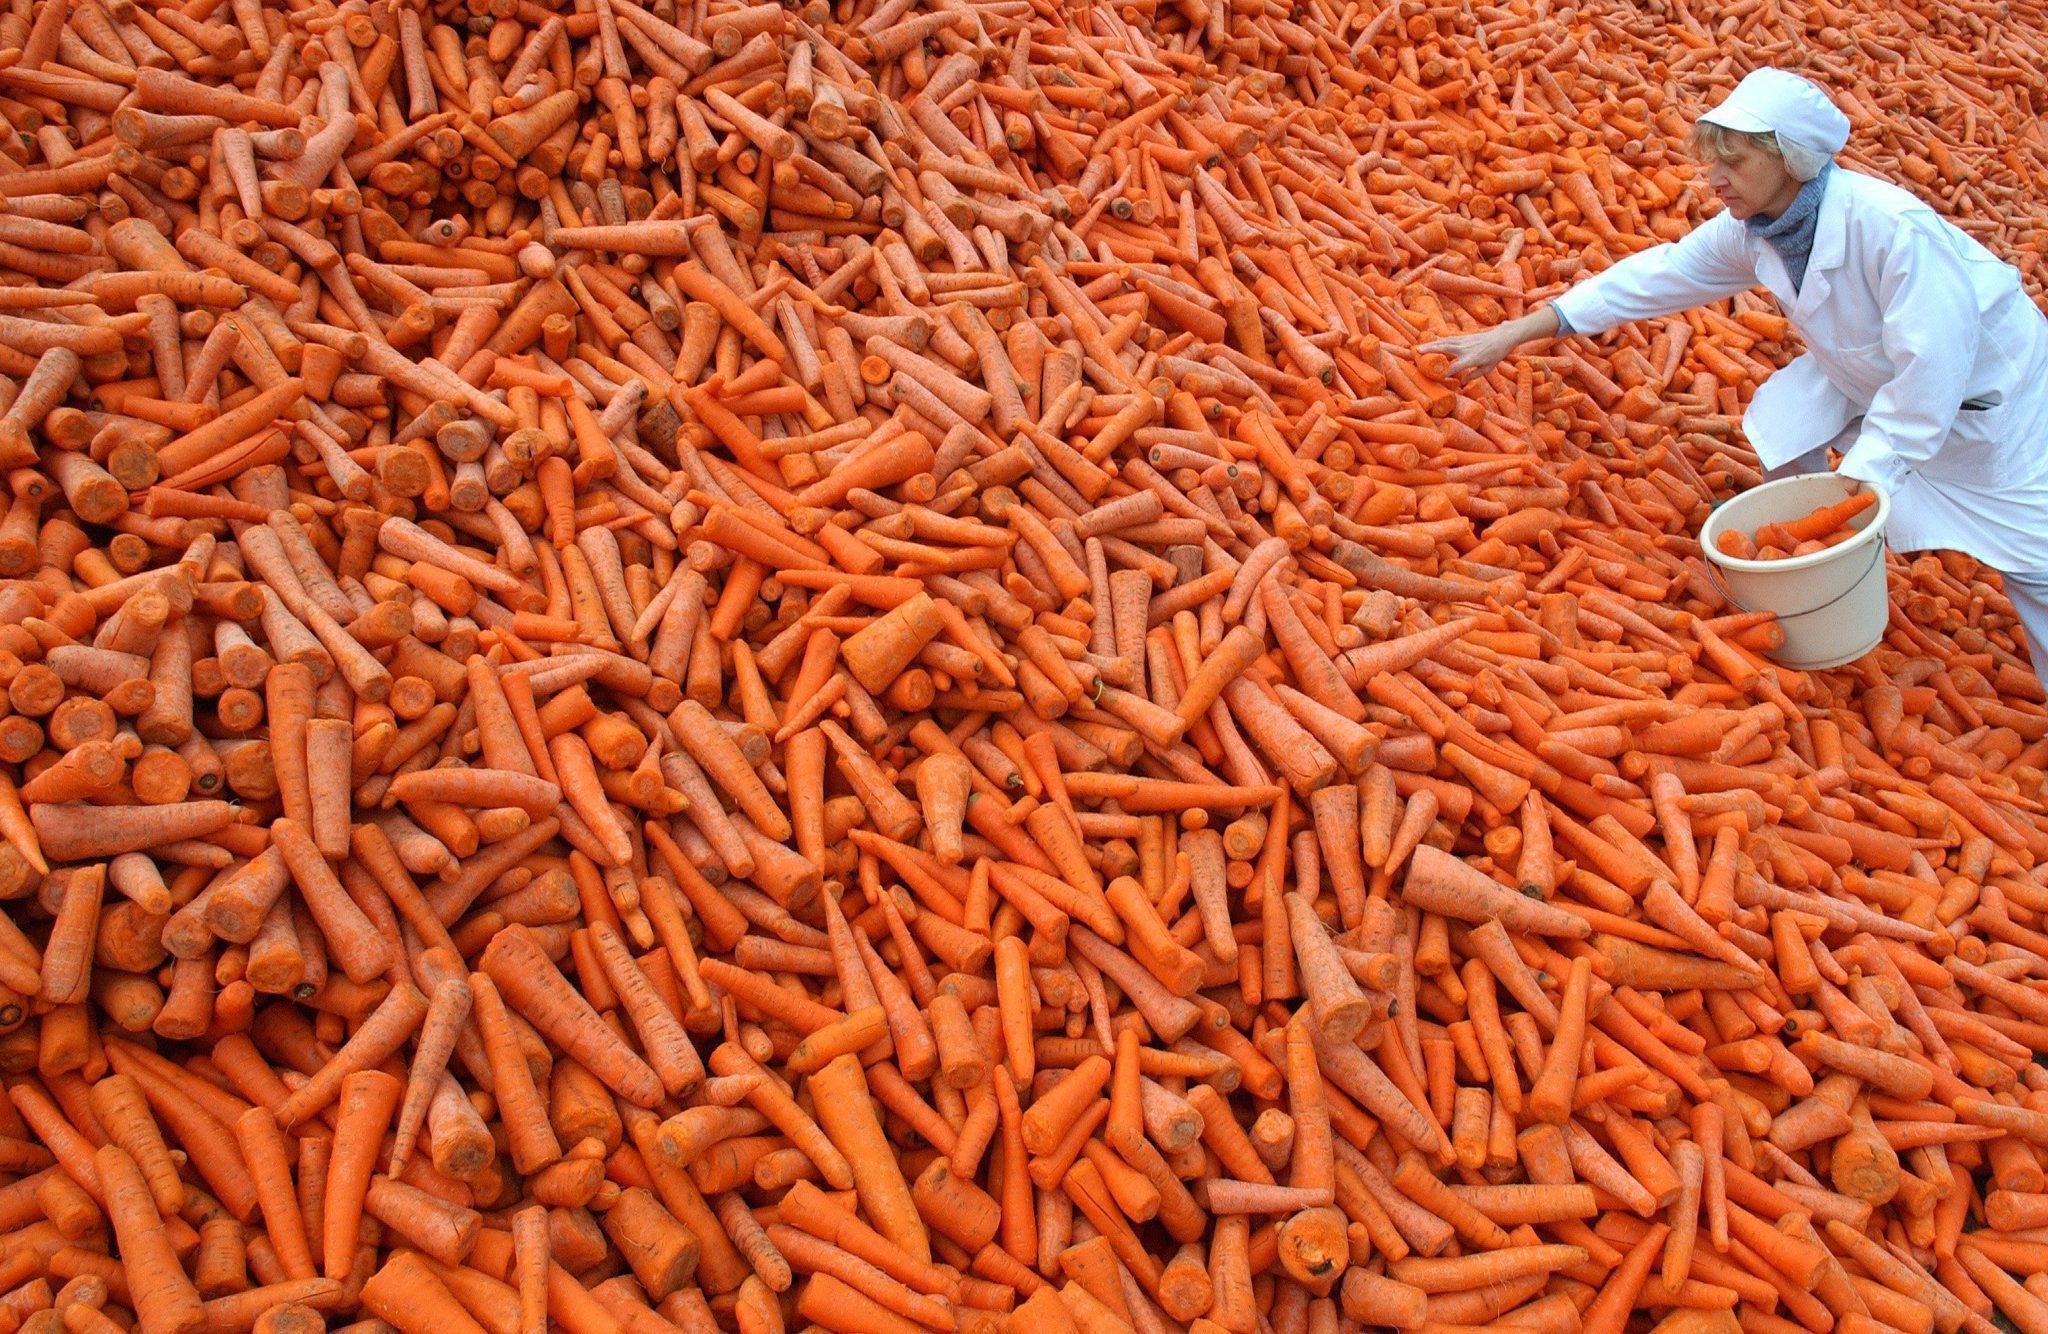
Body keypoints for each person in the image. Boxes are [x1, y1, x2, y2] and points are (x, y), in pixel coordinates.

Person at [1421, 67, 2048, 669]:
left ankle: (1837, 551)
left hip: (1997, 404)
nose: (1713, 179)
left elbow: (1930, 373)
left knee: (2035, 564)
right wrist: (1516, 331)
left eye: (1734, 162)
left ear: (1791, 158)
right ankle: (1801, 575)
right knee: (1787, 419)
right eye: (1710, 161)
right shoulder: (1755, 229)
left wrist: (1854, 490)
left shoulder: (1892, 231)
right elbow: (1656, 275)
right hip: (1869, 374)